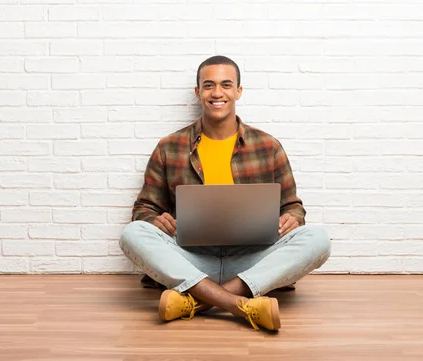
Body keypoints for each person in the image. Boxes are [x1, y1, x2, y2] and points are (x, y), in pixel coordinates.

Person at [119, 55, 331, 331]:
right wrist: (153, 220)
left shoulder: (268, 146)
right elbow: (144, 208)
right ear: (197, 93)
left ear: (238, 91)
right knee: (132, 234)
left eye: (226, 85)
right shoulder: (169, 147)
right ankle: (240, 305)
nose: (217, 93)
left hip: (250, 259)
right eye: (208, 86)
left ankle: (197, 301)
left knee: (318, 238)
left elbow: (293, 206)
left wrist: (292, 218)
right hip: (191, 258)